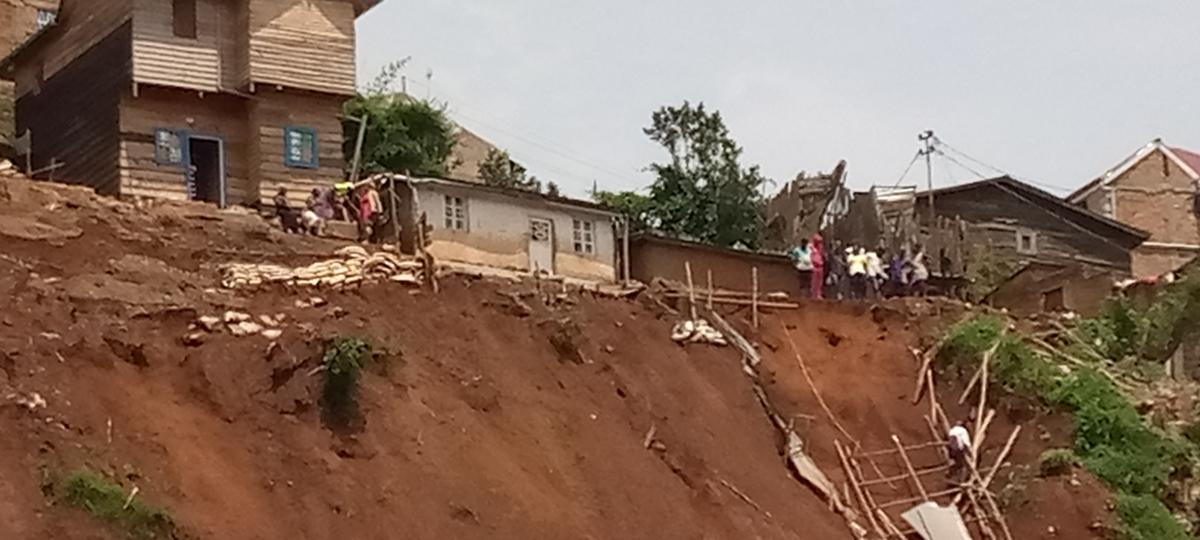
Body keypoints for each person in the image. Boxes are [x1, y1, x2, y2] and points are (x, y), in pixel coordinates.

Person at [809, 234, 825, 300]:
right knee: (814, 282)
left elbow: (821, 256)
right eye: (818, 241)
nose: (819, 243)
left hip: (820, 266)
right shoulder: (811, 247)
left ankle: (819, 294)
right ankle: (813, 295)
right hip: (814, 266)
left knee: (820, 282)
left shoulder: (820, 248)